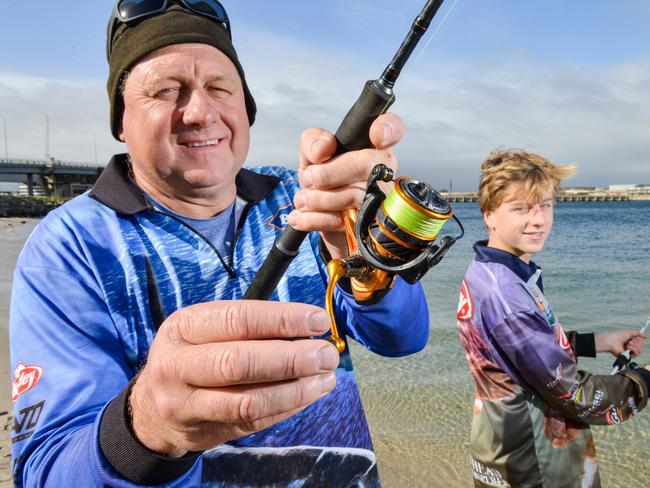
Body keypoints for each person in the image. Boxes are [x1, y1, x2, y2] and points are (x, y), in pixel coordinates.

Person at [9, 2, 430, 486]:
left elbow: (404, 338)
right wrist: (148, 425)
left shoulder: (303, 196)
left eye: (219, 88)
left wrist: (363, 257)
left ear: (244, 109)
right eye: (166, 90)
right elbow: (45, 467)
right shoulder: (69, 247)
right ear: (121, 121)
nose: (200, 112)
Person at [456, 148, 650, 488]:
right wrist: (642, 381)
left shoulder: (492, 272)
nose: (539, 219)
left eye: (545, 205)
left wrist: (597, 342)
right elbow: (575, 396)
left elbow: (524, 351)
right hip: (533, 459)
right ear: (489, 214)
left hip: (501, 442)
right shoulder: (506, 293)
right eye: (521, 208)